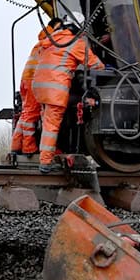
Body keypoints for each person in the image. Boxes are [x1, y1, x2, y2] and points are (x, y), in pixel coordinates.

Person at [32, 22, 105, 173]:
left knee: (46, 124)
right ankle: (45, 163)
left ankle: (45, 156)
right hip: (55, 88)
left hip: (40, 87)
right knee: (51, 126)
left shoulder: (51, 40)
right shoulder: (75, 43)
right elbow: (96, 65)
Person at [11, 18, 63, 157]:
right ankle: (28, 147)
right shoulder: (50, 43)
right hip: (34, 80)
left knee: (26, 113)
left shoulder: (40, 42)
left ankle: (16, 145)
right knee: (32, 114)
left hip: (26, 80)